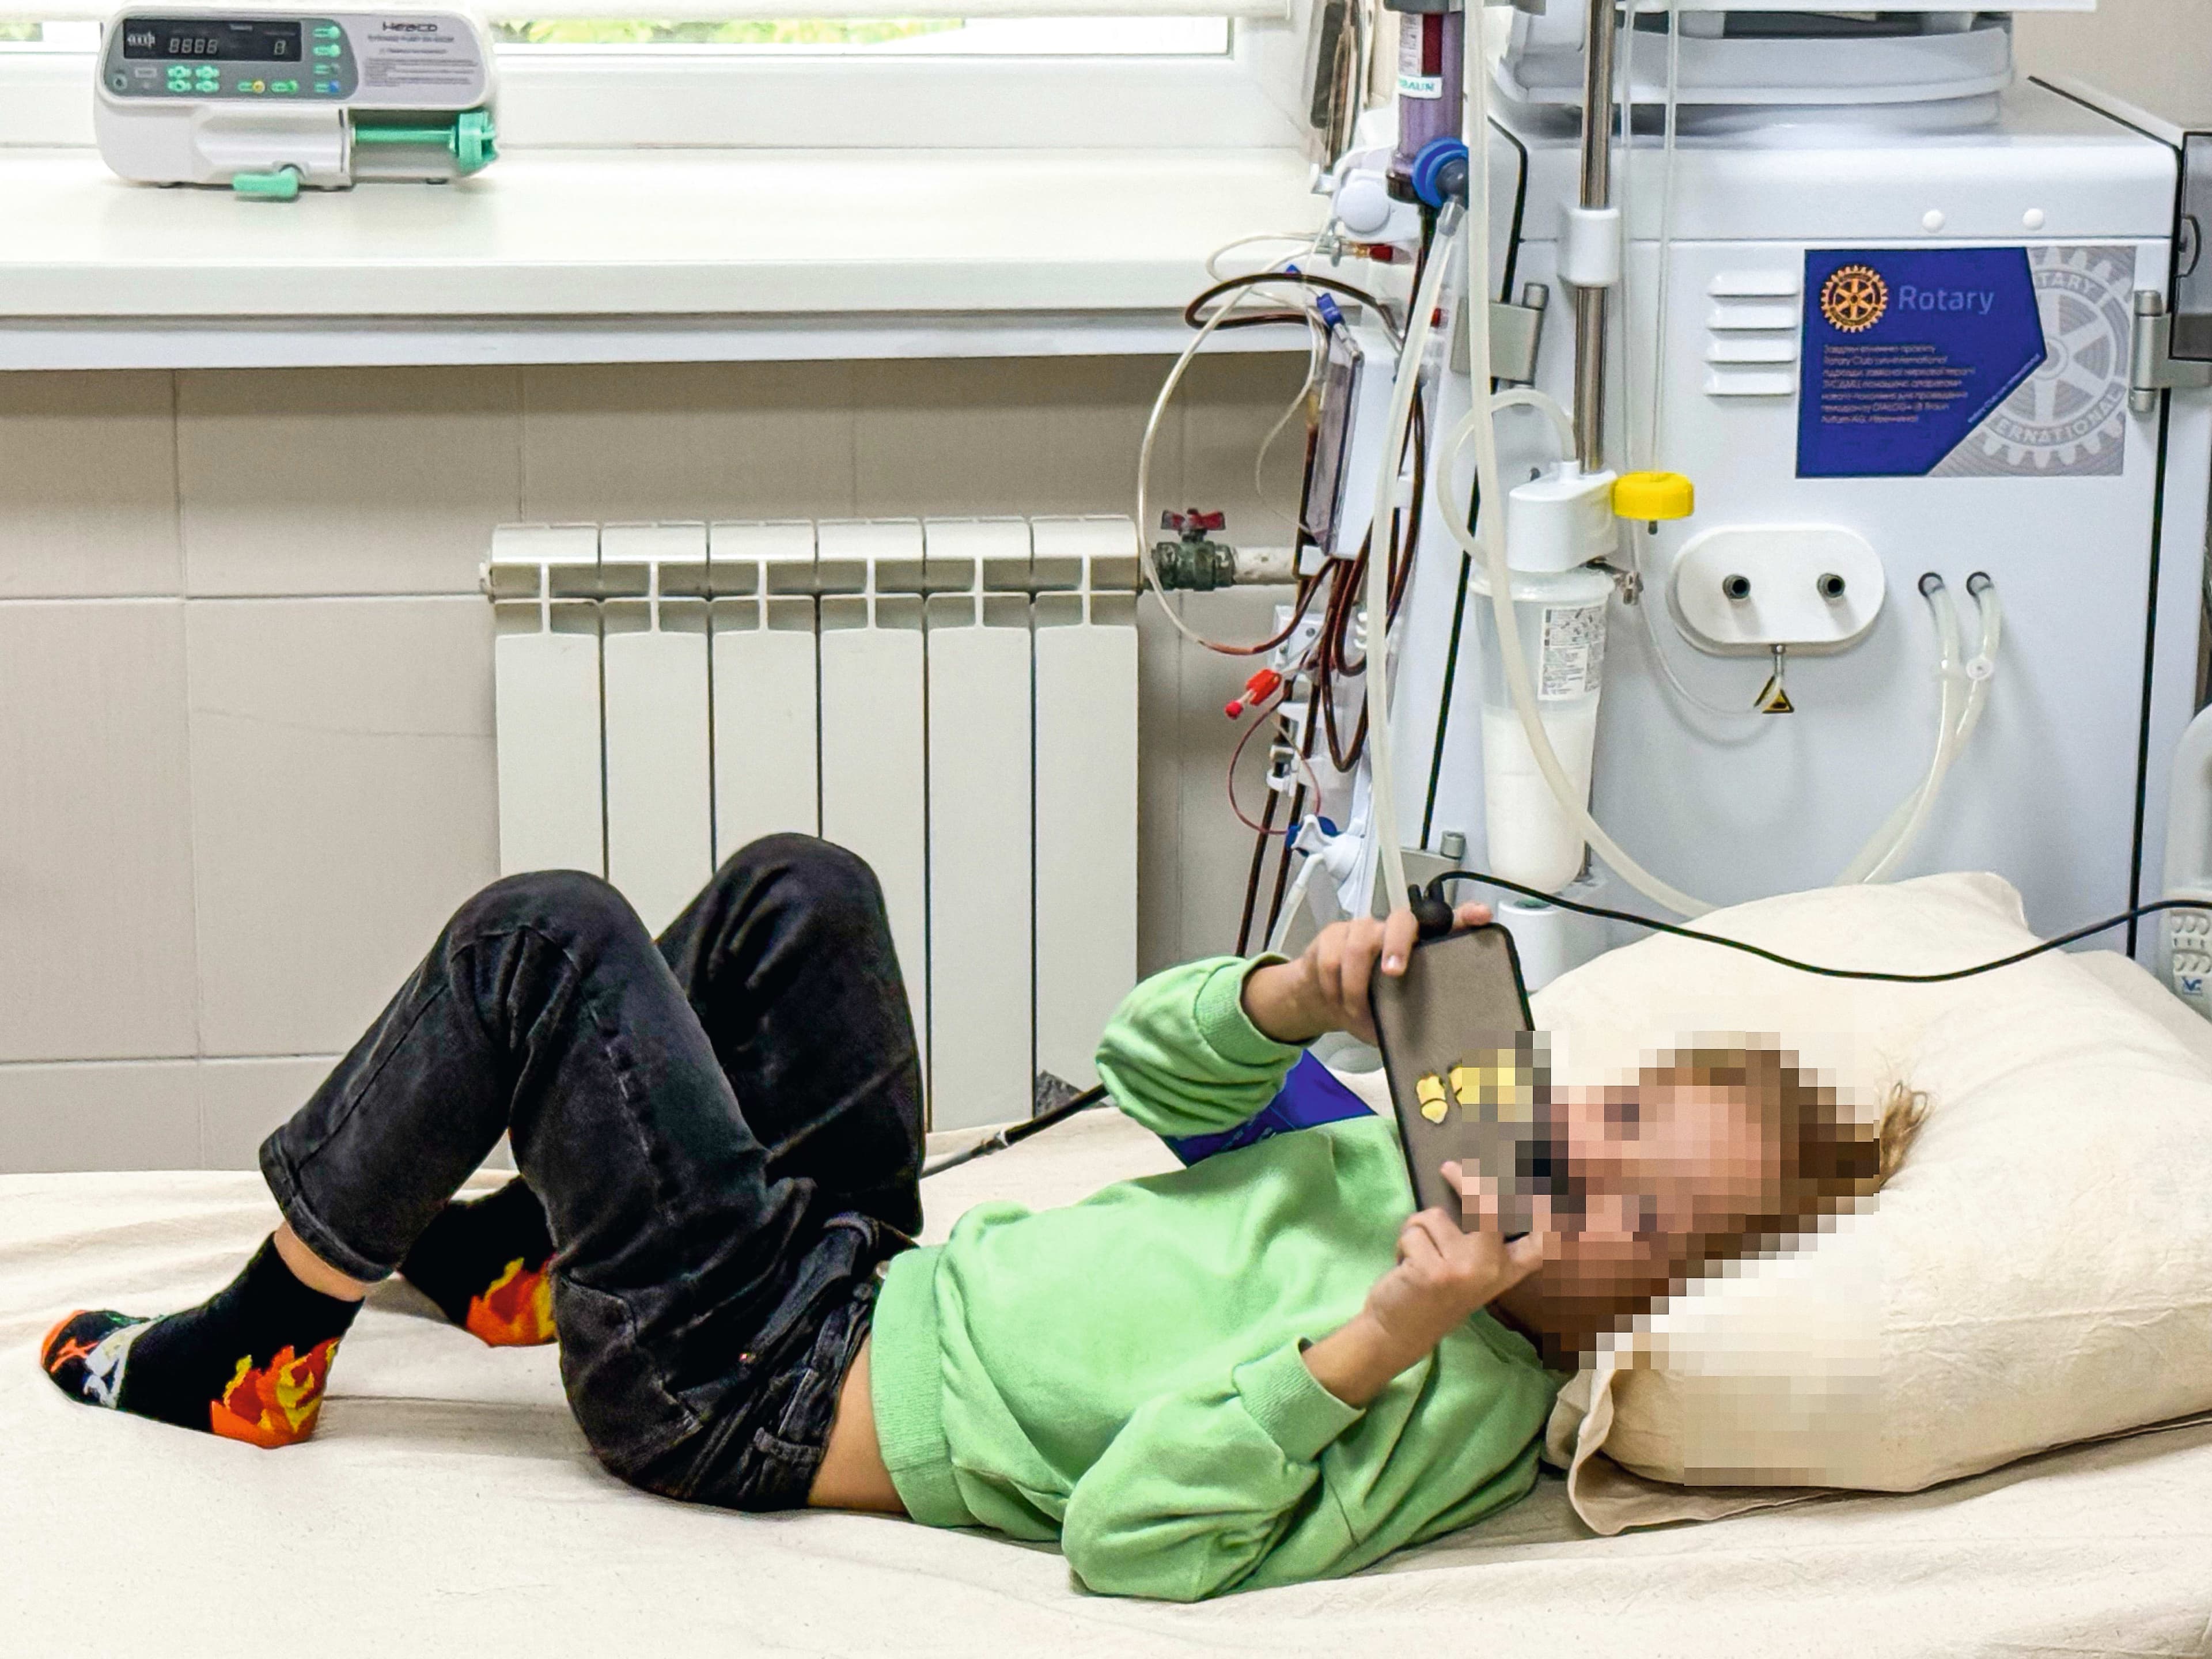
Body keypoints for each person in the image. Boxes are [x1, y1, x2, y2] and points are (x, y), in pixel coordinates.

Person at [40, 835, 1899, 1601]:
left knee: (547, 938)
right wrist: (1297, 1002)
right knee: (807, 894)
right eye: (1615, 1124)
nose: (1591, 1172)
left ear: (1665, 1308)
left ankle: (263, 1343)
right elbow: (1144, 1063)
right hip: (873, 1275)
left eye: (1652, 1208)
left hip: (750, 1391)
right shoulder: (1401, 1162)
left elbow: (1136, 1541)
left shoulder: (1459, 1403)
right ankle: (536, 1246)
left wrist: (1369, 1345)